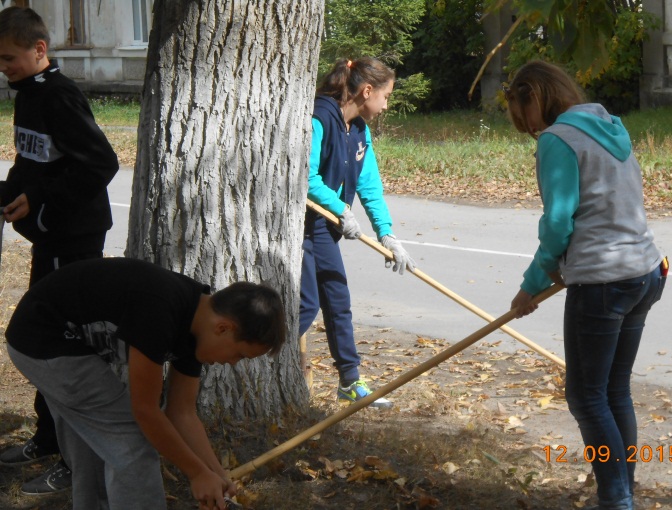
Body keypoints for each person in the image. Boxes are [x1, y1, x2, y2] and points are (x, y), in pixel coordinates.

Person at [505, 61, 666, 510]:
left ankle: (616, 500)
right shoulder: (610, 126)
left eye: (526, 118)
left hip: (602, 283)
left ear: (533, 96)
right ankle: (623, 491)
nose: (531, 130)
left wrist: (532, 284)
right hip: (644, 272)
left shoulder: (560, 138)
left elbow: (558, 222)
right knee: (614, 391)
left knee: (586, 396)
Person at [5, 257, 286, 510]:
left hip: (61, 342)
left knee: (97, 444)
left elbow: (182, 413)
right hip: (43, 339)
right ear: (223, 328)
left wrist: (216, 475)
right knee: (131, 442)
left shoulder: (198, 327)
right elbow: (145, 410)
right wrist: (197, 473)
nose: (233, 363)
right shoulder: (160, 308)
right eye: (239, 354)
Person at [0, 6, 119, 495]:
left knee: (63, 350)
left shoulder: (60, 96)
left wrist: (44, 202)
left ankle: (77, 460)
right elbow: (33, 159)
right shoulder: (28, 94)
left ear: (39, 49)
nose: (3, 68)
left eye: (9, 58)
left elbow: (101, 163)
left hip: (74, 243)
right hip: (48, 240)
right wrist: (12, 192)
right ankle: (49, 438)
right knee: (44, 339)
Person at [300, 57, 416, 408]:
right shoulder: (320, 118)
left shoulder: (360, 131)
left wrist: (387, 234)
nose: (386, 104)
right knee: (307, 304)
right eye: (386, 96)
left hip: (325, 226)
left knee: (336, 300)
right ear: (367, 91)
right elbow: (306, 177)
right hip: (304, 224)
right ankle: (259, 361)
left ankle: (350, 382)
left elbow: (370, 186)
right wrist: (340, 208)